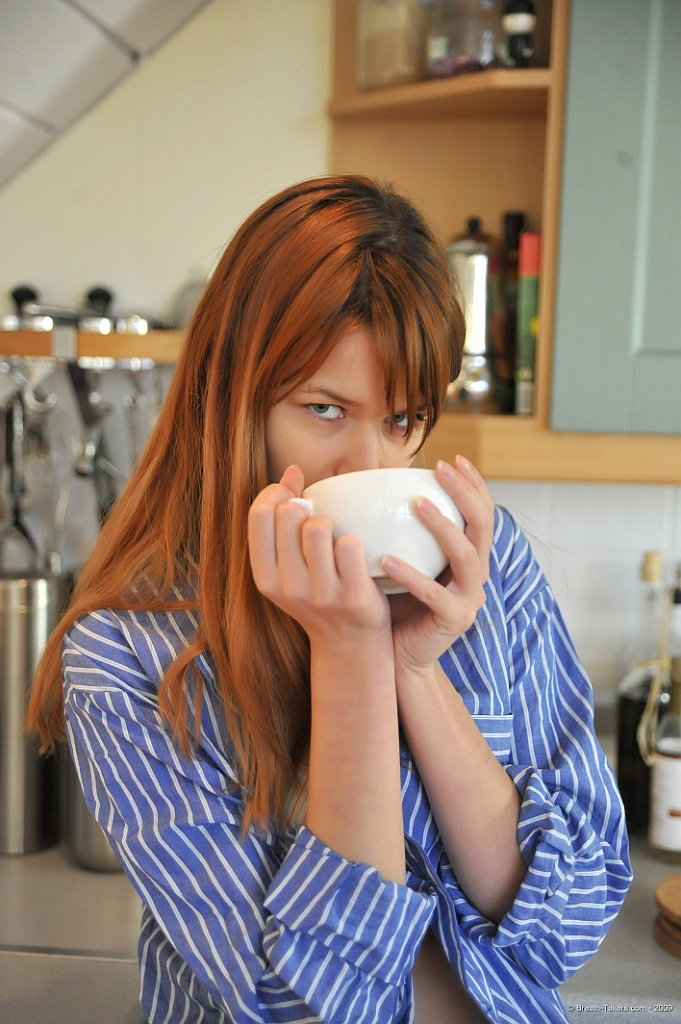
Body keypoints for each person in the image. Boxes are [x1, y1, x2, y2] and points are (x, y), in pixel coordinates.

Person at [28, 175, 632, 1024]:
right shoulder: (126, 655)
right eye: (323, 409)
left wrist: (412, 672)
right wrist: (348, 658)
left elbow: (565, 928)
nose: (368, 466)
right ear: (230, 399)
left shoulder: (488, 571)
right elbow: (307, 1011)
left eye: (401, 420)